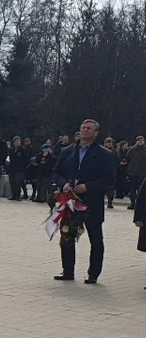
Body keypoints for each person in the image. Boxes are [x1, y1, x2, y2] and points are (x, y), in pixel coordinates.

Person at [52, 119, 115, 284]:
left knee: (95, 238)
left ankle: (93, 273)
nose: (85, 131)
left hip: (91, 202)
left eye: (89, 129)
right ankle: (68, 270)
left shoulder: (105, 154)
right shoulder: (67, 151)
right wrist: (64, 184)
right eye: (82, 128)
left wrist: (89, 187)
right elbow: (56, 172)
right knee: (66, 235)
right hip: (70, 201)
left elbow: (109, 179)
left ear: (96, 133)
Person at [126, 136, 146, 210]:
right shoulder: (132, 150)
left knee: (141, 190)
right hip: (132, 172)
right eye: (138, 140)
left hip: (143, 173)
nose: (140, 141)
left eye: (142, 140)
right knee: (132, 189)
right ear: (136, 141)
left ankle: (140, 205)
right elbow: (128, 159)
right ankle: (132, 203)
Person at [7, 136, 30, 201]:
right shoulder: (11, 150)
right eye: (15, 141)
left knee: (17, 182)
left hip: (20, 169)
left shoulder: (23, 150)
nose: (16, 142)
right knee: (12, 182)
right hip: (12, 168)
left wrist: (23, 167)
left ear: (20, 142)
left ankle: (18, 196)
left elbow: (26, 160)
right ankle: (13, 195)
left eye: (18, 141)